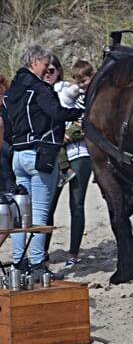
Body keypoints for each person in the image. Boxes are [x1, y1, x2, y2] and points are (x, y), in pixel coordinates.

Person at [2, 46, 84, 273]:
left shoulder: (12, 91)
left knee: (21, 216)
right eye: (45, 63)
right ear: (35, 61)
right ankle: (37, 263)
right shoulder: (38, 88)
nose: (48, 67)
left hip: (18, 155)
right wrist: (79, 114)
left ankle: (19, 262)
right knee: (39, 213)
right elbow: (57, 113)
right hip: (40, 155)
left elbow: (7, 125)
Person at [54, 59, 95, 267]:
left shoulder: (91, 95)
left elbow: (90, 121)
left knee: (76, 204)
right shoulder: (58, 91)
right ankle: (40, 253)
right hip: (58, 152)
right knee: (49, 204)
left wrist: (72, 133)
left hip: (80, 153)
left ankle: (73, 253)